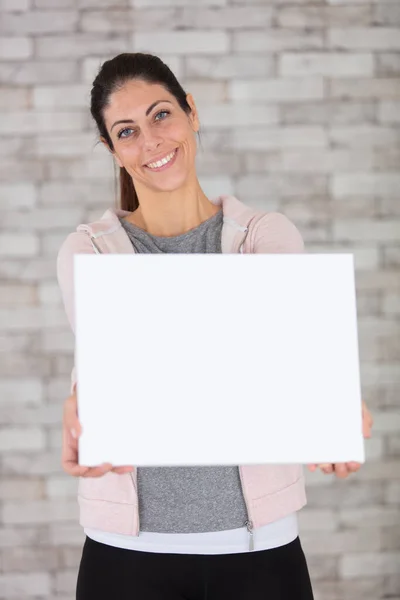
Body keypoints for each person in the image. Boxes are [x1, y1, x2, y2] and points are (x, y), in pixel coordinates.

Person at [57, 53, 373, 600]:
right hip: (126, 558)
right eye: (127, 130)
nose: (151, 140)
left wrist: (330, 403)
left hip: (260, 554)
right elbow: (111, 374)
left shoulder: (265, 237)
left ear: (191, 113)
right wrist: (84, 406)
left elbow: (289, 363)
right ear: (113, 150)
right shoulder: (89, 251)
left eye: (161, 115)